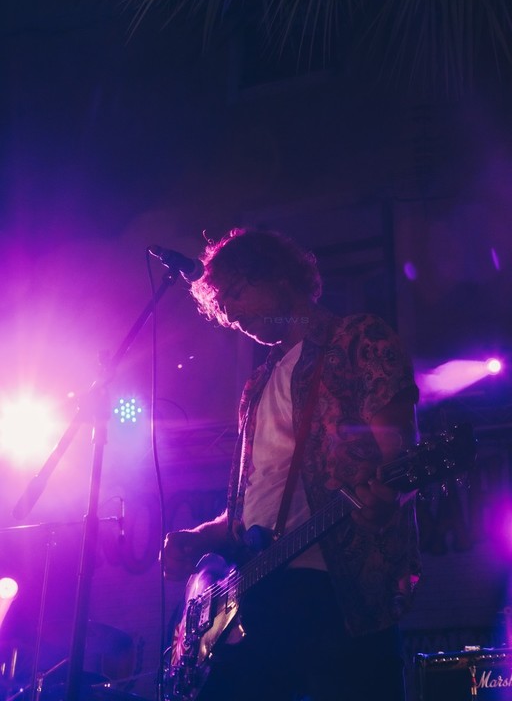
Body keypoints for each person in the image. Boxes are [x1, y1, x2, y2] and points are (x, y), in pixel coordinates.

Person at [163, 228, 421, 701]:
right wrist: (199, 537)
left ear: (278, 275)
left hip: (338, 593)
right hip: (258, 592)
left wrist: (389, 498)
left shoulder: (357, 340)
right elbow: (248, 508)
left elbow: (402, 459)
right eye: (222, 306)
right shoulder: (256, 386)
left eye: (235, 293)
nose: (231, 314)